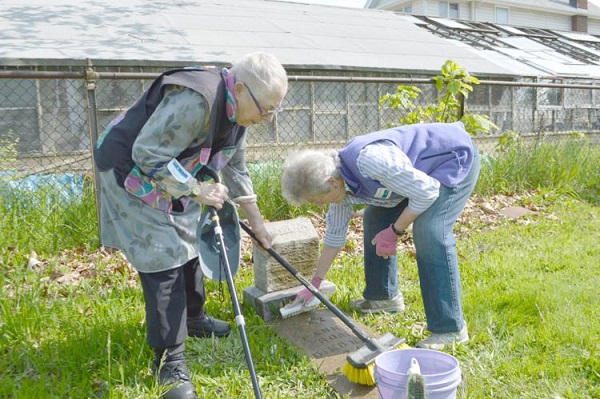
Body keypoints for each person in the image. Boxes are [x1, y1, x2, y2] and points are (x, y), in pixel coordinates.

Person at [93, 52, 288, 399]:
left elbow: (236, 169)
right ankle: (169, 361)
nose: (269, 118)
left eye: (276, 109)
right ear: (240, 89)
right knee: (162, 254)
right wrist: (197, 189)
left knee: (187, 238)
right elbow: (147, 154)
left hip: (170, 169)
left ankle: (193, 319)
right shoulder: (198, 101)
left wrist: (257, 224)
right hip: (128, 166)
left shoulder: (239, 113)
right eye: (266, 109)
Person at [281, 122, 480, 350]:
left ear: (331, 182)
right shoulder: (339, 188)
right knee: (375, 218)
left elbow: (427, 192)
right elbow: (335, 235)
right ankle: (383, 298)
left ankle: (450, 328)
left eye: (316, 200)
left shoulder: (370, 161)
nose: (318, 206)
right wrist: (314, 284)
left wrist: (395, 231)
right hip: (417, 176)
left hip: (452, 158)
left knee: (429, 230)